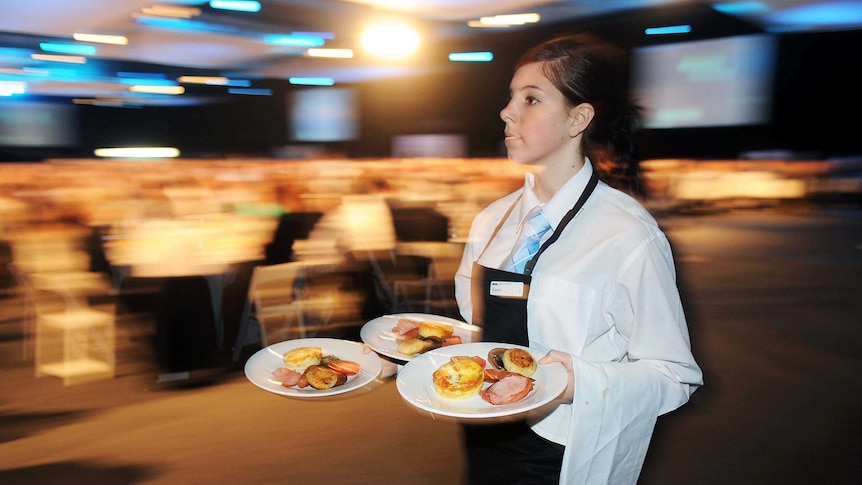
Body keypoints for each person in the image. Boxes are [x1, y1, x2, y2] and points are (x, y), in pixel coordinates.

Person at [452, 34, 703, 484]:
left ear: (578, 118)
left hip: (563, 452)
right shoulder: (490, 222)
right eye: (511, 97)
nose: (507, 112)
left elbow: (674, 374)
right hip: (481, 434)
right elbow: (480, 328)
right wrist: (431, 354)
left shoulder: (627, 234)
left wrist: (575, 382)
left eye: (531, 99)